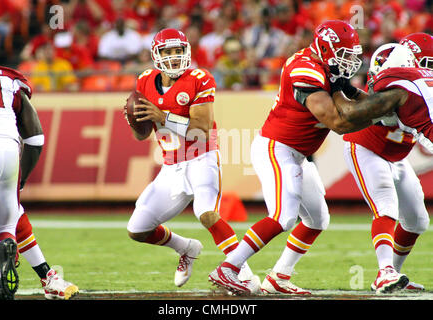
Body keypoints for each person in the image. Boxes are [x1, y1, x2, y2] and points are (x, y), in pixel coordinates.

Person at [209, 20, 375, 295]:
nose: (349, 62)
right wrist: (379, 115)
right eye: (344, 55)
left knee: (318, 219)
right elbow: (337, 122)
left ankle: (278, 277)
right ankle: (228, 268)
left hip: (298, 154)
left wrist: (381, 105)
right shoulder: (304, 70)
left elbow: (351, 94)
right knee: (283, 217)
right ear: (325, 48)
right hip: (278, 148)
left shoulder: (325, 65)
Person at [123, 28, 259, 289]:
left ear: (186, 52)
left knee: (206, 213)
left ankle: (243, 273)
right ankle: (186, 248)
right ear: (156, 54)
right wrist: (134, 120)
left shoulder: (200, 78)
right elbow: (141, 136)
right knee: (137, 229)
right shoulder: (144, 81)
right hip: (171, 166)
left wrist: (161, 116)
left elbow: (202, 127)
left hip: (201, 157)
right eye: (167, 51)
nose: (173, 57)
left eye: (178, 51)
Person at [341, 38, 432, 294]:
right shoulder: (395, 84)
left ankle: (393, 272)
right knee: (386, 206)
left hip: (397, 156)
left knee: (416, 221)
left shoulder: (416, 85)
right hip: (366, 149)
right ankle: (384, 272)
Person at [0, 40, 41, 300]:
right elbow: (35, 137)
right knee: (6, 225)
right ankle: (1, 282)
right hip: (8, 153)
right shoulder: (10, 79)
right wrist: (23, 177)